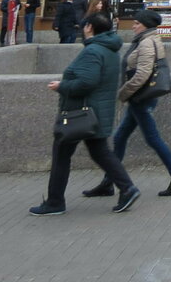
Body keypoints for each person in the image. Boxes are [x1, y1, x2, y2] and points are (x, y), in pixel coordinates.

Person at [28, 12, 141, 216]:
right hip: (97, 112)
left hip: (81, 113)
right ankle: (127, 188)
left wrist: (62, 86)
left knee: (62, 155)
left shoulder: (93, 51)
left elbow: (87, 82)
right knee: (101, 152)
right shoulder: (110, 50)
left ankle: (55, 202)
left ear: (89, 27)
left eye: (84, 26)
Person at [83, 9, 171, 199]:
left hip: (141, 98)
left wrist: (123, 93)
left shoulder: (146, 42)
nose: (133, 26)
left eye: (137, 23)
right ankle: (108, 182)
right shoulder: (145, 40)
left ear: (146, 25)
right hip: (139, 97)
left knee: (152, 138)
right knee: (120, 137)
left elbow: (143, 73)